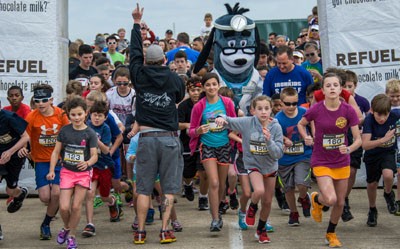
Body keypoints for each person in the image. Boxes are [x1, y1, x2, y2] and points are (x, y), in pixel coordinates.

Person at [130, 4, 185, 244]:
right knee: (169, 187)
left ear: (146, 60)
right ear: (164, 59)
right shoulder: (173, 77)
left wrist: (135, 23)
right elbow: (178, 98)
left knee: (143, 189)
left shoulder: (139, 74)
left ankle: (140, 232)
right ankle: (165, 230)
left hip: (146, 138)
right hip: (169, 138)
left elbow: (133, 53)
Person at [297, 72, 361, 248]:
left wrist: (348, 148)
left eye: (335, 85)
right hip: (321, 160)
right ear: (323, 90)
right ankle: (317, 199)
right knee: (331, 199)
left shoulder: (348, 110)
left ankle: (331, 233)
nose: (332, 88)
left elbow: (358, 139)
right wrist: (306, 137)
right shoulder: (316, 109)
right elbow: (301, 124)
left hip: (341, 160)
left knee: (340, 202)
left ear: (341, 89)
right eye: (328, 85)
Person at [215, 95, 283, 243]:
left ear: (271, 109)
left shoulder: (276, 127)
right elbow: (229, 120)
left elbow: (278, 153)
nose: (263, 112)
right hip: (253, 164)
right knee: (258, 191)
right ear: (253, 111)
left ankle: (261, 230)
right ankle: (252, 208)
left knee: (267, 201)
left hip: (270, 166)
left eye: (266, 108)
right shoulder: (247, 123)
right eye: (260, 109)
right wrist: (220, 117)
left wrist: (269, 141)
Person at [19, 84, 70, 240]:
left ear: (51, 100)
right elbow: (24, 135)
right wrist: (23, 148)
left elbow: (70, 134)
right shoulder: (32, 116)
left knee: (55, 193)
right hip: (41, 160)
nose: (41, 103)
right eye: (37, 100)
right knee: (45, 197)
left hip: (59, 160)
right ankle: (51, 213)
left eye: (44, 100)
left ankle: (46, 224)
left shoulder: (61, 115)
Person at [47, 97, 98, 249]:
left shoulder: (90, 133)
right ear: (68, 115)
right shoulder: (64, 131)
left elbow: (95, 155)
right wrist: (51, 170)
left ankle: (72, 236)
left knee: (76, 206)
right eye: (73, 115)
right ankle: (67, 228)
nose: (76, 118)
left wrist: (87, 163)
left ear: (85, 114)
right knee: (63, 207)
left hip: (83, 173)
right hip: (67, 172)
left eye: (79, 114)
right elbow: (56, 152)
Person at [189, 73, 236, 232]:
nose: (211, 87)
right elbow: (190, 130)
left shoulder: (227, 103)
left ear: (218, 85)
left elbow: (235, 123)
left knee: (222, 184)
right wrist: (198, 130)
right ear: (203, 87)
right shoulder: (199, 106)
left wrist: (227, 123)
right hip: (207, 146)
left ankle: (219, 206)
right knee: (214, 182)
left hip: (224, 146)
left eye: (214, 84)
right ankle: (215, 219)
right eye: (208, 85)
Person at [82, 100, 120, 238]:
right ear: (89, 115)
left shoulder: (105, 129)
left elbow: (105, 150)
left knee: (104, 196)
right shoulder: (85, 127)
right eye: (94, 115)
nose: (97, 118)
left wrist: (95, 140)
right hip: (91, 165)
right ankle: (90, 224)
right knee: (90, 194)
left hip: (104, 165)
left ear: (105, 117)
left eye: (100, 115)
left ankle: (112, 202)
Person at [275, 87, 312, 226]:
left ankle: (303, 197)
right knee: (288, 188)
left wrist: (310, 137)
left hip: (303, 154)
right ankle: (294, 212)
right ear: (282, 103)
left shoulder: (304, 113)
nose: (291, 107)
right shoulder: (278, 118)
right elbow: (274, 133)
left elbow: (313, 124)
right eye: (287, 104)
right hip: (285, 157)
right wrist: (284, 139)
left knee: (301, 182)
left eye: (294, 103)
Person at [362, 94, 398, 227]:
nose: (382, 118)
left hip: (388, 152)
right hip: (372, 155)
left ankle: (388, 194)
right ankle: (372, 209)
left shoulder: (395, 116)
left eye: (385, 115)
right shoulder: (369, 120)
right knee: (372, 184)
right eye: (379, 115)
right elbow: (365, 144)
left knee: (388, 175)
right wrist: (383, 139)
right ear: (372, 111)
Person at [341, 70, 370, 221]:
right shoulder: (335, 99)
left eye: (350, 86)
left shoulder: (362, 101)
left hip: (354, 136)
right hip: (337, 137)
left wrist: (358, 122)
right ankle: (333, 197)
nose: (347, 89)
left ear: (355, 86)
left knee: (352, 171)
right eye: (344, 86)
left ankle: (344, 199)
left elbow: (368, 117)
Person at [0, 99, 30, 241]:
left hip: (13, 156)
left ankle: (20, 193)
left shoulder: (9, 117)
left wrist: (10, 152)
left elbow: (25, 137)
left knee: (10, 190)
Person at [178, 77, 208, 207]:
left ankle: (203, 197)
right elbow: (177, 124)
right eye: (192, 90)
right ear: (188, 91)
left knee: (204, 173)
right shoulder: (184, 106)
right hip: (187, 144)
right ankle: (188, 184)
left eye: (198, 89)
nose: (195, 93)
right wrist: (189, 125)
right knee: (188, 173)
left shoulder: (206, 103)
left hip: (204, 143)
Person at [385, 79, 400, 216]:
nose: (395, 99)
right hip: (389, 147)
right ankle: (390, 195)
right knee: (391, 174)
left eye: (398, 96)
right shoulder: (385, 109)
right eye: (392, 96)